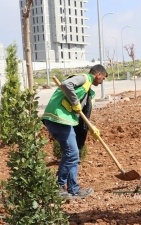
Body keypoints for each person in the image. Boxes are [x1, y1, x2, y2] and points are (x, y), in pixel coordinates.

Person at [41, 65, 106, 200]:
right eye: (103, 78)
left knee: (74, 155)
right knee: (72, 153)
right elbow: (66, 84)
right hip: (57, 118)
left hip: (65, 120)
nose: (102, 82)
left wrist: (91, 127)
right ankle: (57, 187)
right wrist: (75, 102)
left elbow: (82, 115)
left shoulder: (88, 91)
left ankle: (73, 189)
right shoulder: (84, 78)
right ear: (98, 74)